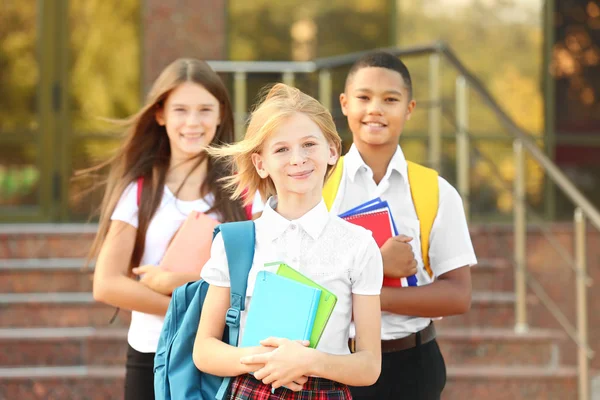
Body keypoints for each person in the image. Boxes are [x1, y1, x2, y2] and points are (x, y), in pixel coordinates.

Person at [193, 83, 383, 399]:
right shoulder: (236, 242)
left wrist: (307, 361)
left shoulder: (359, 245)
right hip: (252, 388)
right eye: (281, 149)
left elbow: (369, 366)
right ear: (260, 163)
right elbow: (204, 349)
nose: (298, 159)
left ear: (332, 151)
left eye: (309, 144)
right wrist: (268, 360)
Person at [87, 58, 262, 400]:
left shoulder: (243, 191)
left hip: (222, 355)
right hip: (152, 352)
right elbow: (106, 284)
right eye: (181, 110)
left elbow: (257, 275)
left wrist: (177, 285)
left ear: (220, 114)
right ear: (161, 114)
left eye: (204, 110)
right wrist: (190, 306)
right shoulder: (139, 190)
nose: (193, 122)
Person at [330, 51, 477, 400]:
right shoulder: (317, 184)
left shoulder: (435, 191)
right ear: (345, 103)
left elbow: (458, 294)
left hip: (413, 365)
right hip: (332, 362)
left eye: (390, 99)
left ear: (409, 109)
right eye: (364, 97)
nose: (375, 109)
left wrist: (375, 296)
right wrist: (379, 265)